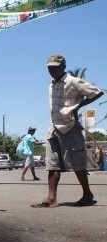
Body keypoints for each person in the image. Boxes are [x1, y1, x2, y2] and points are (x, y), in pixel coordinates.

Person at [32, 54, 104, 208]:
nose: (52, 70)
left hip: (70, 127)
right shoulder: (51, 84)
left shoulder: (73, 81)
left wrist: (79, 106)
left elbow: (97, 92)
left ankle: (87, 194)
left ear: (63, 66)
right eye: (50, 68)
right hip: (54, 128)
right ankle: (51, 199)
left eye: (55, 67)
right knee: (52, 164)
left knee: (78, 163)